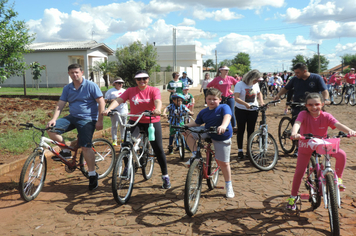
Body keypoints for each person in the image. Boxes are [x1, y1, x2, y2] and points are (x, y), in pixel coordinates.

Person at [286, 93, 356, 210]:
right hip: (305, 144)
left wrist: (350, 130)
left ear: (322, 104)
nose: (314, 107)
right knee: (300, 172)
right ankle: (293, 196)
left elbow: (337, 124)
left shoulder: (326, 116)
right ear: (306, 105)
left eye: (317, 104)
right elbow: (297, 123)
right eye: (310, 105)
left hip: (322, 144)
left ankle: (338, 179)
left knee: (341, 154)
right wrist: (294, 133)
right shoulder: (303, 114)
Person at [103, 70, 171, 189]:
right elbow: (119, 100)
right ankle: (126, 168)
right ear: (135, 80)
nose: (142, 81)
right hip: (135, 120)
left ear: (148, 79)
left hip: (151, 121)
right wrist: (109, 109)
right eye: (139, 79)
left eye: (144, 78)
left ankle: (165, 176)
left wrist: (158, 109)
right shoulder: (130, 91)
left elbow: (157, 101)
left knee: (158, 148)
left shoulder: (153, 90)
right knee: (126, 144)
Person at [46, 63, 105, 191]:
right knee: (51, 129)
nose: (75, 74)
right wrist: (54, 119)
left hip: (88, 119)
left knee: (85, 146)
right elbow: (60, 104)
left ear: (82, 72)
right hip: (73, 117)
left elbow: (101, 101)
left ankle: (92, 174)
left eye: (77, 72)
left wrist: (100, 120)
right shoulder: (67, 88)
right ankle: (66, 151)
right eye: (72, 72)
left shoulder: (91, 86)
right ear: (69, 74)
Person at [184, 88, 234, 198]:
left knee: (224, 163)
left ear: (220, 99)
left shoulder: (223, 107)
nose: (211, 101)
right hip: (208, 132)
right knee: (187, 133)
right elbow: (197, 123)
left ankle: (228, 185)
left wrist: (223, 126)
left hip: (221, 136)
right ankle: (194, 155)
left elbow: (228, 116)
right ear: (205, 99)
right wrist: (184, 126)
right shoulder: (204, 112)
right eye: (209, 99)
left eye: (214, 99)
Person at [274, 62, 330, 156]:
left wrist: (326, 99)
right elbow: (286, 88)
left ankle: (316, 147)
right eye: (295, 73)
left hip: (313, 106)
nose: (296, 75)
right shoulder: (295, 79)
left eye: (298, 73)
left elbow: (324, 90)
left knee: (315, 127)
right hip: (297, 105)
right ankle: (298, 148)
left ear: (305, 71)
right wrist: (278, 95)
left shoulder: (316, 78)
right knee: (298, 127)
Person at [234, 69, 264, 159]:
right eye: (255, 80)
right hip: (241, 110)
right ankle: (240, 150)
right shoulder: (239, 84)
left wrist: (261, 102)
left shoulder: (256, 85)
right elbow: (236, 98)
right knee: (241, 130)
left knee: (251, 131)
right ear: (251, 78)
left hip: (253, 110)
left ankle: (249, 151)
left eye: (257, 81)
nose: (256, 82)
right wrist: (245, 104)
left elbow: (259, 93)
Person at [104, 78, 128, 146]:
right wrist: (114, 100)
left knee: (123, 125)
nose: (120, 84)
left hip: (123, 110)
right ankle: (114, 140)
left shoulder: (125, 91)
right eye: (118, 83)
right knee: (114, 125)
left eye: (122, 83)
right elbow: (105, 100)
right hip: (114, 110)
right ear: (115, 83)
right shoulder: (110, 91)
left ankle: (123, 139)